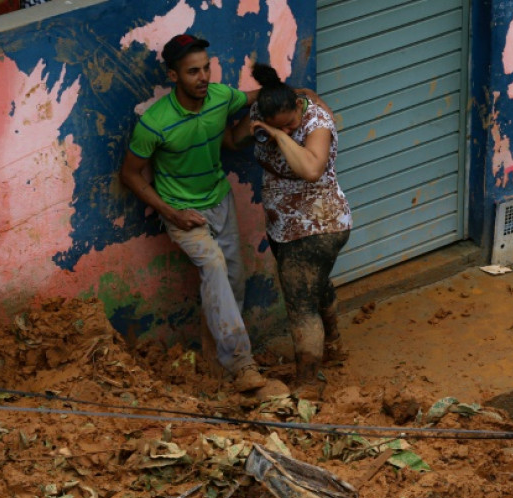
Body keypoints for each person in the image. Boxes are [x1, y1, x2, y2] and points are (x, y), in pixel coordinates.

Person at [119, 34, 270, 391]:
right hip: (182, 211)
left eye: (206, 68)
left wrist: (289, 95)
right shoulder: (155, 123)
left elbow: (250, 100)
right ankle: (242, 363)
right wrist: (171, 213)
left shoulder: (220, 97)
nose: (203, 77)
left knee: (231, 282)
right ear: (173, 76)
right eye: (192, 72)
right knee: (214, 266)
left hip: (220, 200)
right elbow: (129, 174)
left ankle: (213, 362)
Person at [229, 63, 351, 399]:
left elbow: (311, 169)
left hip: (318, 226)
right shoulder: (264, 113)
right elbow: (231, 140)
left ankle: (309, 382)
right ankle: (335, 344)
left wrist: (281, 135)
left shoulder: (316, 122)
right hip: (284, 226)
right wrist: (251, 125)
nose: (290, 127)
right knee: (315, 285)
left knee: (300, 304)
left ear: (298, 108)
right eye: (279, 125)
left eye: (291, 122)